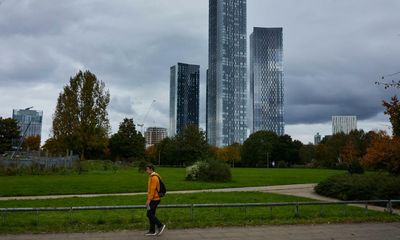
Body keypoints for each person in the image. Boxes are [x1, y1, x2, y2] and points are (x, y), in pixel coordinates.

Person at [145, 163, 166, 236]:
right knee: (152, 214)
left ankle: (160, 225)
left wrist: (148, 200)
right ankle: (152, 231)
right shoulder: (151, 176)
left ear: (151, 169)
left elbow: (153, 190)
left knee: (149, 214)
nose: (146, 171)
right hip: (154, 199)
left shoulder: (154, 177)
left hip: (155, 199)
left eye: (147, 169)